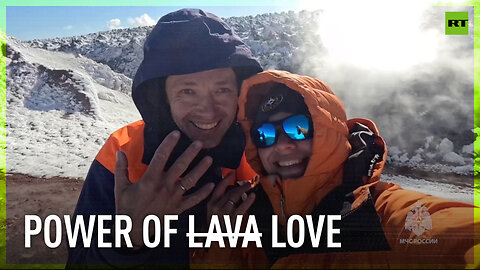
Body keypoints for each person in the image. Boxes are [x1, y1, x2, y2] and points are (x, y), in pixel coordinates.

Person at [194, 70, 478, 268]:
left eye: (297, 128)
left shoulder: (377, 216)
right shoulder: (241, 220)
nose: (281, 145)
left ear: (327, 129)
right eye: (266, 134)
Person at [66, 8, 262, 267]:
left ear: (239, 92)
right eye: (188, 91)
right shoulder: (123, 153)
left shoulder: (260, 148)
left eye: (222, 89)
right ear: (163, 98)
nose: (209, 110)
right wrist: (130, 237)